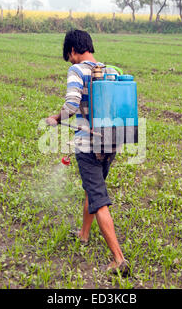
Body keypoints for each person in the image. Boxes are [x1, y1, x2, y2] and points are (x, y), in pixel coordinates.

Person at [46, 29, 129, 276]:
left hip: (89, 145)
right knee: (92, 188)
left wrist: (56, 118)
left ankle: (119, 259)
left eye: (69, 56)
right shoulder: (112, 70)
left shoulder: (77, 70)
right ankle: (83, 234)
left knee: (98, 198)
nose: (70, 61)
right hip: (113, 141)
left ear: (73, 50)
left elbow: (71, 105)